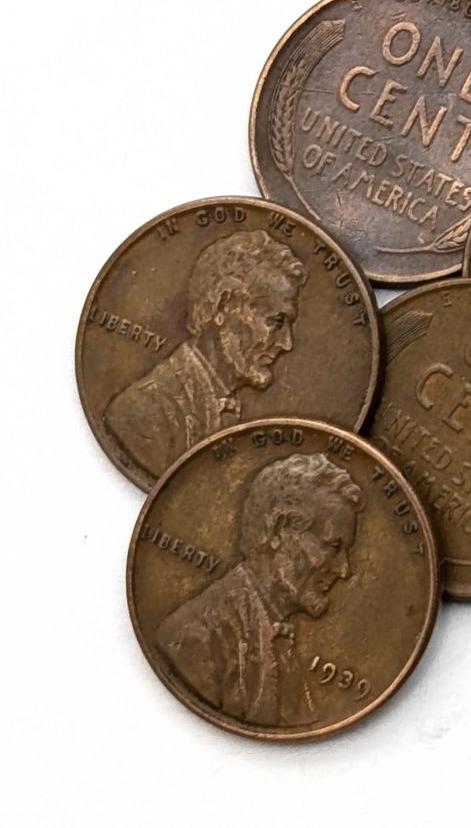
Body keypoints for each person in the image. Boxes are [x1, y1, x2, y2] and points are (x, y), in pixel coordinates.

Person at [156, 452, 361, 728]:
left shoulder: (273, 632)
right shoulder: (196, 637)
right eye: (333, 547)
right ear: (278, 531)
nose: (344, 570)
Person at [104, 230, 303, 481]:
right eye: (275, 321)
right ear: (223, 305)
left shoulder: (225, 406)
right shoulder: (139, 413)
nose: (287, 343)